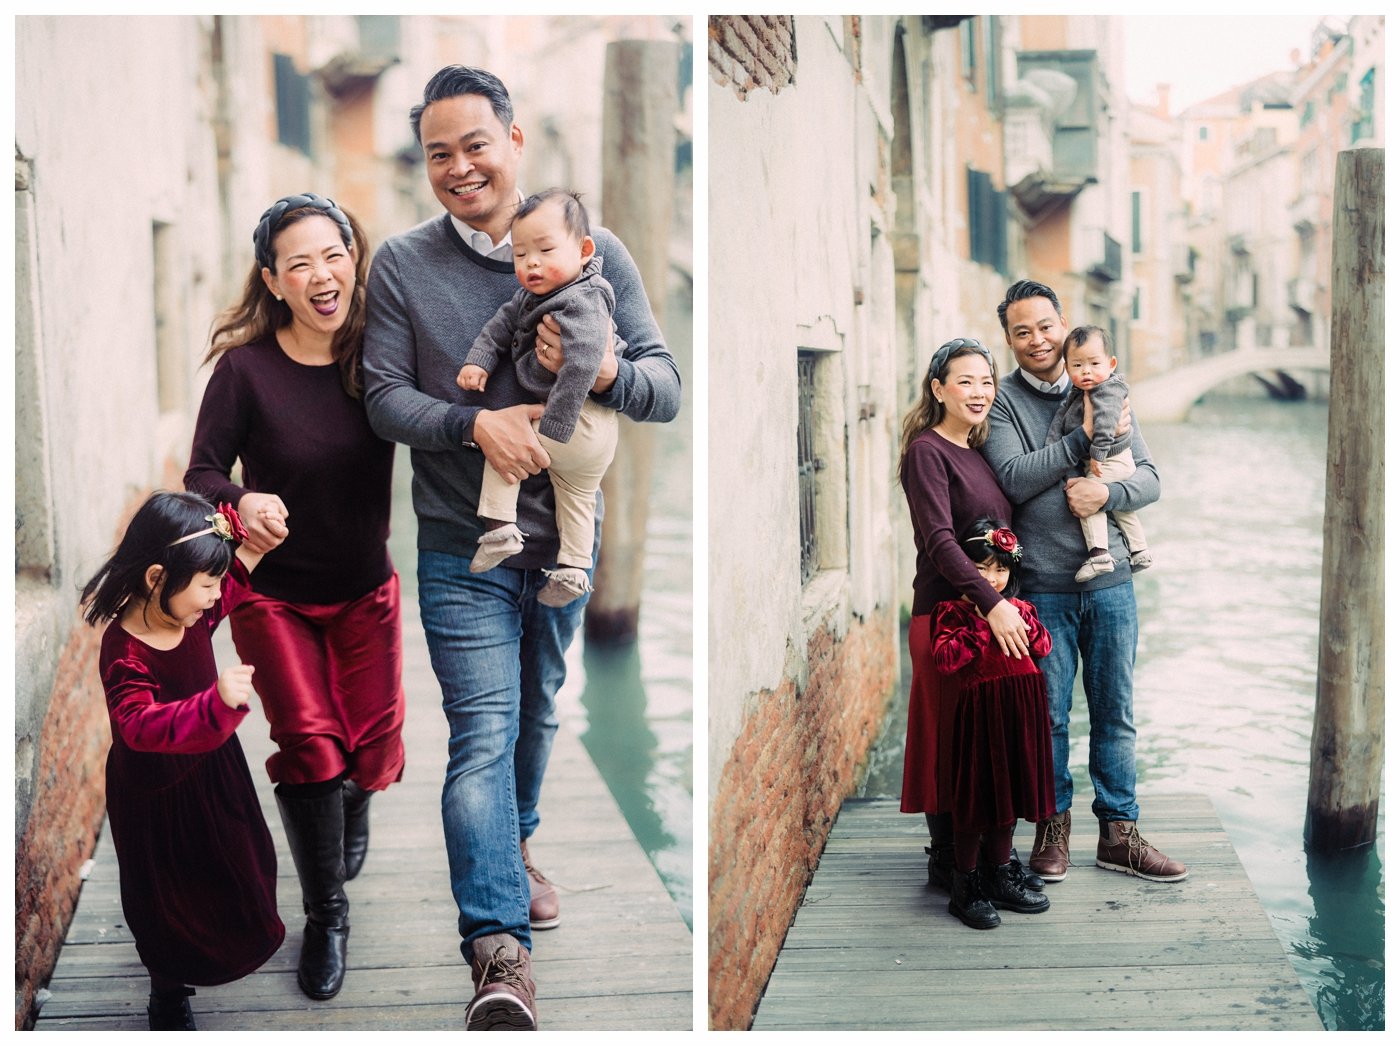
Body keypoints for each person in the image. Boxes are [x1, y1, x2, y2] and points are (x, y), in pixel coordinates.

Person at [362, 65, 680, 1031]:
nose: (460, 169)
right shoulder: (402, 265)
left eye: (475, 146)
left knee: (539, 709)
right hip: (465, 545)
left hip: (565, 548)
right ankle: (498, 948)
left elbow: (665, 390)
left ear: (514, 141)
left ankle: (521, 840)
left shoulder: (595, 252)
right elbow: (382, 399)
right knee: (481, 732)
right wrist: (476, 427)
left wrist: (607, 365)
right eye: (438, 154)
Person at [185, 192, 406, 1002]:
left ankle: (353, 794)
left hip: (366, 593)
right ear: (274, 281)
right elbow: (201, 475)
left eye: (333, 254)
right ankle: (327, 915)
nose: (322, 274)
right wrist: (240, 501)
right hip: (273, 597)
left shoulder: (380, 356)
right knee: (309, 745)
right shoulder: (243, 371)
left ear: (355, 258)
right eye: (299, 263)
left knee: (371, 754)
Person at [982, 278, 1187, 884]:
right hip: (1042, 587)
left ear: (1062, 323)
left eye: (1045, 326)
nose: (1037, 340)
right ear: (1010, 341)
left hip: (1112, 584)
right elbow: (1014, 479)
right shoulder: (1002, 404)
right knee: (1047, 716)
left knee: (1116, 712)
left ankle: (1119, 834)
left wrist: (1107, 491)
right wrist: (1083, 434)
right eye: (1022, 332)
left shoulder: (1101, 382)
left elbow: (1149, 478)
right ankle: (1052, 828)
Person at [79, 493, 285, 1030]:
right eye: (206, 585)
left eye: (215, 583)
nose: (215, 597)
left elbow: (233, 578)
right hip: (155, 795)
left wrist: (259, 536)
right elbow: (138, 727)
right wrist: (213, 703)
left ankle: (222, 946)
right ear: (156, 578)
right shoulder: (125, 653)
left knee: (233, 864)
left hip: (213, 775)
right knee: (165, 899)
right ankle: (167, 990)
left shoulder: (188, 610)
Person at [897, 338, 1044, 904]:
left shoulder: (978, 453)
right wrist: (993, 603)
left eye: (987, 381)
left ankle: (987, 865)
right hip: (945, 620)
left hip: (988, 618)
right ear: (938, 389)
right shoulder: (926, 452)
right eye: (966, 381)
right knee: (950, 745)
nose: (980, 392)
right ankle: (958, 871)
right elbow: (937, 541)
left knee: (988, 746)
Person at [455, 188, 619, 607]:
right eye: (520, 255)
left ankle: (500, 528)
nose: (531, 263)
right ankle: (573, 570)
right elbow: (500, 325)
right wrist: (479, 361)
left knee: (505, 443)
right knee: (578, 498)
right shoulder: (535, 295)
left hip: (578, 420)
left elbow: (583, 362)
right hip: (595, 439)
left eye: (545, 251)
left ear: (584, 250)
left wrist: (558, 423)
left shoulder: (584, 298)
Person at [930, 518, 1056, 929]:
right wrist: (984, 625)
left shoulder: (1019, 609)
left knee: (1009, 798)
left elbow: (1042, 646)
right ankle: (965, 883)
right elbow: (946, 660)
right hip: (981, 717)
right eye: (981, 568)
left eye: (1000, 569)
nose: (992, 578)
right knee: (978, 798)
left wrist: (1023, 620)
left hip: (1020, 713)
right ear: (964, 568)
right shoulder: (952, 613)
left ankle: (1001, 872)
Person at [1044, 324, 1152, 582]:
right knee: (1122, 509)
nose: (1086, 371)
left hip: (1111, 459)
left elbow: (1103, 425)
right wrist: (1050, 448)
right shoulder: (1079, 392)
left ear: (1111, 363)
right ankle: (1140, 551)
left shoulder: (1108, 390)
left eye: (1094, 363)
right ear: (1067, 367)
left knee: (1088, 498)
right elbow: (1060, 420)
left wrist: (1097, 455)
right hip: (1110, 460)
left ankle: (1099, 554)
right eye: (1078, 365)